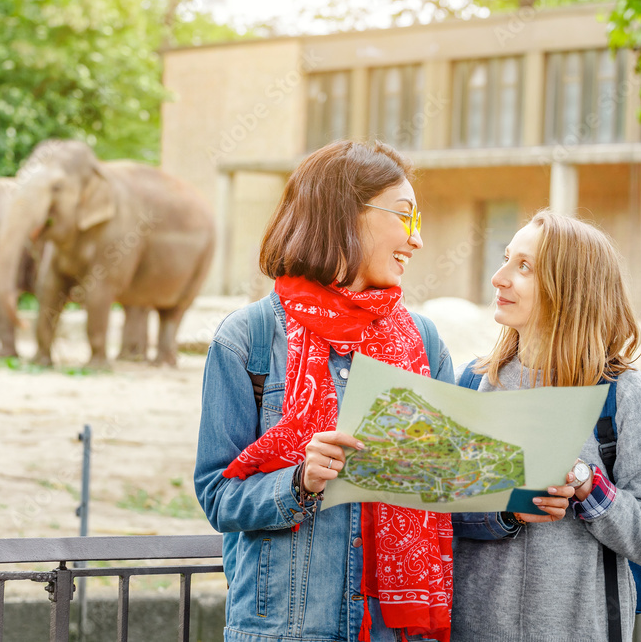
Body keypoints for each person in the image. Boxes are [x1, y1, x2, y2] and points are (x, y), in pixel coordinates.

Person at [195, 140, 456, 642]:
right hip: (285, 630)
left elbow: (451, 491)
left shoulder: (423, 343)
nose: (417, 240)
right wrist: (299, 482)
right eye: (405, 217)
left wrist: (512, 506)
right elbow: (218, 496)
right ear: (347, 215)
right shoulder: (248, 338)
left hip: (393, 632)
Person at [451, 209, 641, 642]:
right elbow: (438, 515)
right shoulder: (472, 383)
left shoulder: (625, 395)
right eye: (505, 259)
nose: (499, 278)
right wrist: (506, 509)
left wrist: (587, 484)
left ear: (570, 289)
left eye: (524, 267)